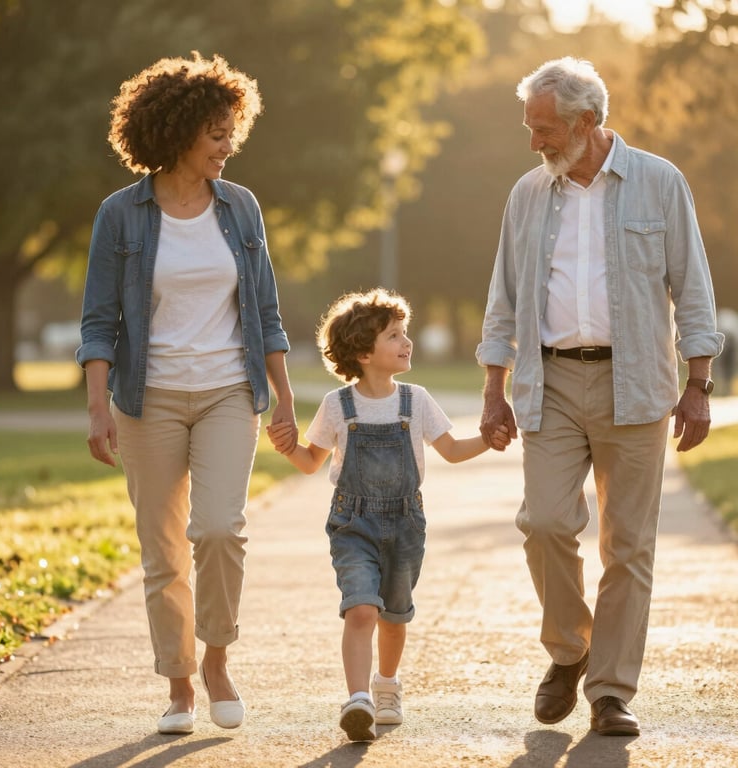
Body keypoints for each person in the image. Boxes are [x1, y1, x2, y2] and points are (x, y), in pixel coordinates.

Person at [477, 57, 724, 737]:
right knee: (546, 523)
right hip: (551, 381)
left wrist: (698, 386)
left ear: (588, 122)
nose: (535, 141)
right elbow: (504, 298)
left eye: (545, 127)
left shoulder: (659, 183)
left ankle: (611, 691)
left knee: (628, 546)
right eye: (531, 127)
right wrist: (494, 391)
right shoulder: (528, 194)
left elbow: (693, 290)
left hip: (638, 382)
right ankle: (569, 649)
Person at [76, 53, 297, 735]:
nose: (229, 147)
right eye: (217, 134)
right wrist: (96, 406)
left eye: (232, 132)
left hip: (230, 391)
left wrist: (285, 397)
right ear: (177, 132)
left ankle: (218, 659)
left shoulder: (241, 207)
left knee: (219, 528)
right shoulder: (121, 216)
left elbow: (264, 308)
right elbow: (99, 320)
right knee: (162, 549)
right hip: (150, 401)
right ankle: (178, 686)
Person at [267, 288, 508, 741]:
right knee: (360, 609)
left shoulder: (415, 401)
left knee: (394, 617)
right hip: (352, 524)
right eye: (395, 335)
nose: (407, 342)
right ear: (362, 352)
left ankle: (387, 684)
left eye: (405, 333)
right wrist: (288, 446)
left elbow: (452, 450)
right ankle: (357, 699)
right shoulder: (337, 407)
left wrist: (488, 439)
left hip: (405, 524)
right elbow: (311, 461)